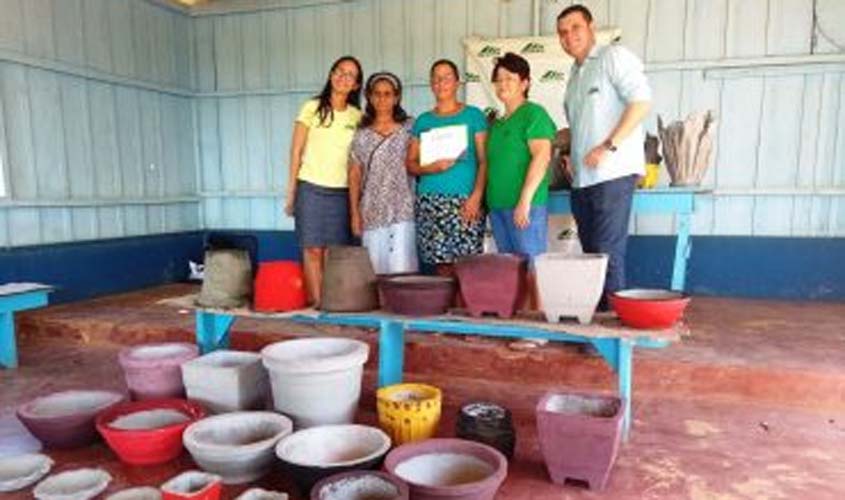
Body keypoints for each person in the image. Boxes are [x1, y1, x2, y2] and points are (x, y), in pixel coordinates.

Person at [557, 4, 652, 308]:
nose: (569, 36)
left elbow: (641, 102)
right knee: (592, 258)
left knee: (608, 255)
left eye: (575, 28)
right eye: (562, 32)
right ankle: (595, 322)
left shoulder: (613, 57)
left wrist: (609, 145)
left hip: (612, 175)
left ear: (591, 27)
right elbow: (580, 127)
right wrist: (569, 152)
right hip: (583, 181)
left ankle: (611, 330)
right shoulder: (574, 78)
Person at [284, 56, 363, 306]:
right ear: (331, 75)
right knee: (312, 249)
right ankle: (317, 303)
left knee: (332, 253)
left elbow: (357, 163)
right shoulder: (312, 107)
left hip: (341, 192)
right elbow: (296, 152)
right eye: (340, 71)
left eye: (350, 75)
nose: (343, 77)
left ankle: (330, 302)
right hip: (310, 189)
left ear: (356, 85)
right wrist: (291, 193)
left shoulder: (357, 117)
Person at [486, 52, 556, 310]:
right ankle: (517, 320)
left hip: (525, 206)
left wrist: (525, 200)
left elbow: (542, 156)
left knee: (533, 265)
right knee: (510, 268)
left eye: (510, 78)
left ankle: (537, 330)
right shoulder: (497, 123)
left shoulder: (533, 114)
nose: (503, 84)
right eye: (498, 79)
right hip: (499, 206)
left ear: (525, 83)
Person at [406, 59, 488, 278]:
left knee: (467, 263)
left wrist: (477, 197)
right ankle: (446, 311)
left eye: (447, 77)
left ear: (457, 83)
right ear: (431, 84)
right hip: (430, 201)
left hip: (465, 200)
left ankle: (464, 309)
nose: (441, 83)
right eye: (436, 78)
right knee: (440, 263)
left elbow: (484, 161)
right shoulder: (423, 121)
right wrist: (431, 168)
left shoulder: (474, 116)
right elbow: (411, 164)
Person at [348, 72, 418, 275]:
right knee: (375, 269)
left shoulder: (410, 128)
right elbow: (354, 174)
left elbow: (421, 160)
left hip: (402, 207)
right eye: (377, 94)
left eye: (388, 94)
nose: (382, 98)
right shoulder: (361, 134)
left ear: (397, 97)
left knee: (401, 268)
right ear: (369, 97)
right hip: (371, 209)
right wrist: (354, 213)